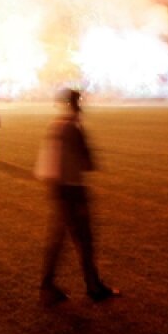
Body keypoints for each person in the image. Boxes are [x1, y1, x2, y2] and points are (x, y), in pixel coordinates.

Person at [34, 89, 113, 304]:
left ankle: (47, 287)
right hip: (72, 188)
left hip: (57, 187)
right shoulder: (72, 127)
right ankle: (93, 286)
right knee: (84, 240)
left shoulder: (56, 124)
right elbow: (88, 161)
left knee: (58, 240)